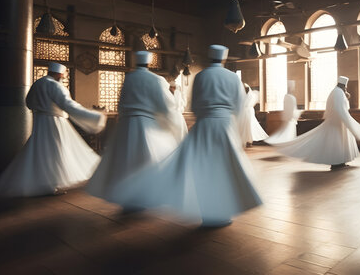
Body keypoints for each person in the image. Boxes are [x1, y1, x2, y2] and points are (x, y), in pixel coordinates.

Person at [106, 45, 262, 227]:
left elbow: (194, 105)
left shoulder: (201, 76)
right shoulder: (231, 78)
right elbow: (238, 106)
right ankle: (220, 211)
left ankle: (206, 212)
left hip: (202, 126)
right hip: (223, 127)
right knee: (224, 169)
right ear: (224, 58)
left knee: (201, 169)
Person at [0, 62, 106, 197]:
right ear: (59, 74)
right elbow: (68, 105)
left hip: (40, 122)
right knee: (55, 151)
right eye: (62, 75)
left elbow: (29, 103)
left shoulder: (37, 84)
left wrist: (42, 109)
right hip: (55, 122)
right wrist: (94, 116)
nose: (62, 77)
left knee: (41, 151)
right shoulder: (55, 86)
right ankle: (52, 184)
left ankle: (45, 183)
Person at [86, 51, 186, 199]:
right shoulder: (155, 80)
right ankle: (145, 193)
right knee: (149, 160)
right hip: (146, 124)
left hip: (126, 125)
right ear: (148, 63)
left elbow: (121, 102)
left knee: (126, 162)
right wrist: (172, 122)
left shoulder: (129, 78)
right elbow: (164, 105)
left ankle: (126, 194)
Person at [274, 76, 360, 170]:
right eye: (345, 86)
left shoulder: (336, 92)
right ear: (343, 86)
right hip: (336, 124)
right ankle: (336, 163)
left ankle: (340, 162)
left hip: (338, 123)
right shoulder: (338, 93)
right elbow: (340, 110)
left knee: (339, 143)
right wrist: (353, 126)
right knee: (335, 143)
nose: (346, 88)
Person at [264, 81, 302, 145]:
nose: (294, 88)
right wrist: (297, 114)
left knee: (287, 133)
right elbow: (291, 109)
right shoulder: (290, 97)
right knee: (288, 133)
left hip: (288, 118)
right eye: (293, 86)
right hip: (290, 118)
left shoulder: (287, 96)